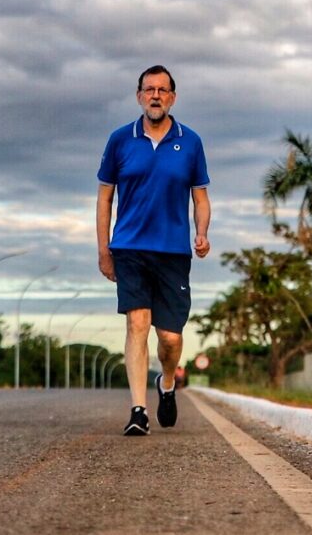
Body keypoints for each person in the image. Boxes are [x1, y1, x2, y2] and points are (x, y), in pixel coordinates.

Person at [97, 65, 211, 436]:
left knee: (170, 338)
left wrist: (202, 233)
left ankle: (166, 382)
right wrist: (103, 249)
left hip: (173, 252)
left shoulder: (190, 141)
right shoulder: (120, 140)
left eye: (163, 90)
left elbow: (200, 196)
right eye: (149, 90)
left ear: (172, 97)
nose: (156, 95)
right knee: (137, 324)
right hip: (129, 246)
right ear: (139, 96)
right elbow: (104, 198)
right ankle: (138, 410)